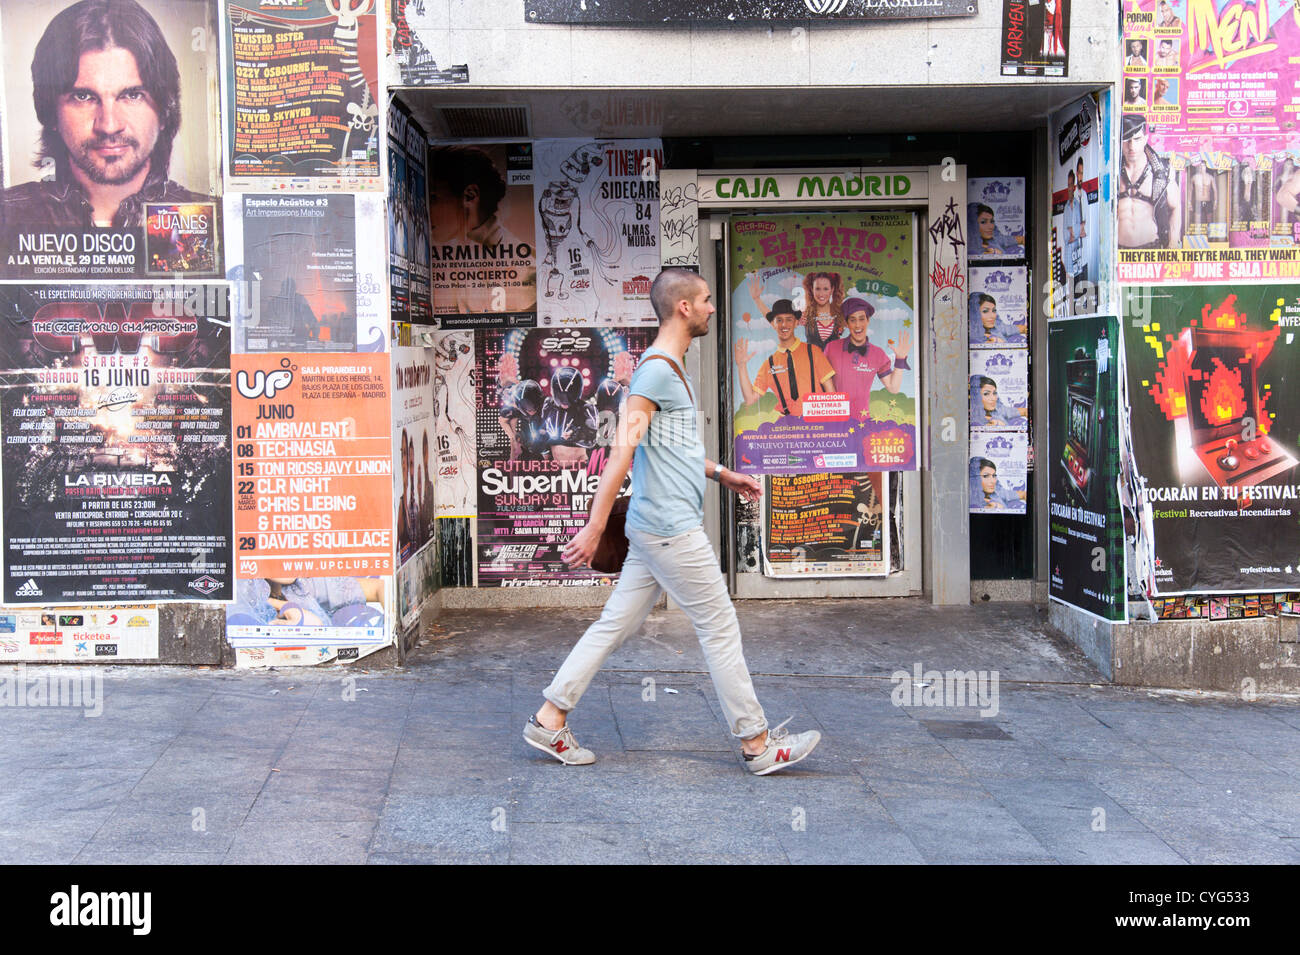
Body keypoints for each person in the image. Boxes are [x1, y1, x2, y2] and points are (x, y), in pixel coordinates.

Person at [524, 268, 822, 775]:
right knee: (720, 625)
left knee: (614, 624)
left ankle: (549, 718)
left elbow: (671, 446)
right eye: (706, 299)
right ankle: (756, 743)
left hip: (652, 527)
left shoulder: (668, 367)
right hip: (669, 529)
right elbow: (624, 449)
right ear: (683, 307)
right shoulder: (656, 371)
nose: (711, 307)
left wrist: (720, 473)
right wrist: (595, 527)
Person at [0, 0, 212, 231]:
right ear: (50, 112)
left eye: (132, 95)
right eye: (83, 97)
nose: (109, 125)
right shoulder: (7, 217)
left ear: (165, 109)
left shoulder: (212, 221)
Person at [429, 145, 531, 312]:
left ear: (470, 195)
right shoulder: (451, 257)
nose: (426, 209)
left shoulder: (526, 267)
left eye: (433, 198)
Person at [734, 298, 835, 417]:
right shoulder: (769, 364)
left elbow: (831, 394)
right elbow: (750, 399)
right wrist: (741, 366)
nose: (784, 325)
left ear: (796, 322)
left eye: (789, 320)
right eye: (779, 320)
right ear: (774, 324)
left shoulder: (813, 352)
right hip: (786, 428)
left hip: (816, 423)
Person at [823, 296, 911, 422]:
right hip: (834, 420)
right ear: (847, 324)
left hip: (862, 422)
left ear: (868, 321)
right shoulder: (831, 348)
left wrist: (900, 360)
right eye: (853, 320)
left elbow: (893, 387)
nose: (858, 325)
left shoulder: (878, 354)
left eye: (861, 319)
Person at [1119, 115, 1181, 249]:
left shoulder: (1161, 172)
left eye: (1137, 139)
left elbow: (1175, 206)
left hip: (1150, 249)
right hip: (1117, 252)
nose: (1132, 146)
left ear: (1145, 139)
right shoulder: (1111, 172)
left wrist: (1172, 244)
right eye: (1126, 140)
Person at [1188, 160, 1217, 227]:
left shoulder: (1210, 177)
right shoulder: (1194, 177)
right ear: (1198, 167)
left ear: (1206, 167)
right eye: (1200, 166)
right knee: (1197, 221)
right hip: (1198, 202)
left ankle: (1210, 237)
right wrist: (1189, 203)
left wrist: (1215, 202)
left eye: (1203, 166)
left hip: (1208, 202)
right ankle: (1197, 236)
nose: (1202, 167)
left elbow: (1215, 190)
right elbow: (1190, 190)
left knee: (1209, 221)